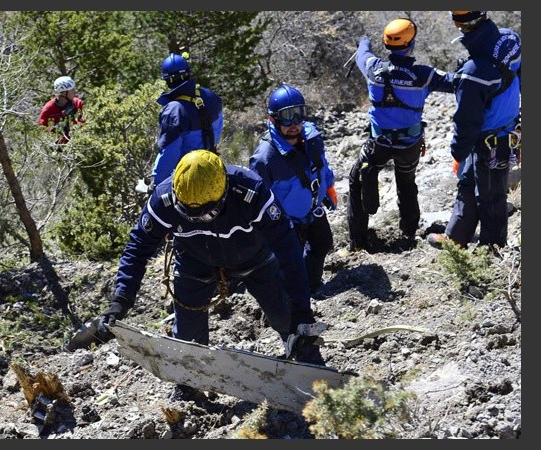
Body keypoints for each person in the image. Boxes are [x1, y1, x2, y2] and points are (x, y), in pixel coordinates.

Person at [95, 149, 325, 402]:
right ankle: (188, 385)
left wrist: (302, 311)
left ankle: (312, 367)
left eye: (207, 214)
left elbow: (289, 251)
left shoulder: (251, 192)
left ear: (224, 193)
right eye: (190, 215)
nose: (200, 220)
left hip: (254, 259)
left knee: (287, 317)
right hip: (196, 262)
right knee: (187, 336)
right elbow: (137, 248)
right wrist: (121, 299)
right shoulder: (164, 200)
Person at [347, 18, 454, 253]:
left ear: (386, 44)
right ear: (411, 44)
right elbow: (455, 82)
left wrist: (363, 41)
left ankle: (357, 242)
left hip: (378, 144)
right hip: (409, 145)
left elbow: (361, 53)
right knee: (406, 184)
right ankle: (408, 232)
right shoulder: (423, 75)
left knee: (358, 178)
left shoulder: (373, 68)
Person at [427, 11, 521, 251]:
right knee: (468, 184)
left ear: (458, 24)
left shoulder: (474, 73)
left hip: (492, 141)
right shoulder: (510, 40)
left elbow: (466, 122)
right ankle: (456, 237)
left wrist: (458, 153)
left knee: (491, 198)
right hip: (499, 134)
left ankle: (492, 249)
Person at [249, 84, 337, 297]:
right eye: (287, 117)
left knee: (322, 244)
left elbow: (322, 166)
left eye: (298, 114)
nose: (294, 124)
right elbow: (257, 200)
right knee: (288, 265)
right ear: (273, 119)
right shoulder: (264, 158)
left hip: (313, 211)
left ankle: (312, 285)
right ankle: (289, 299)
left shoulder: (312, 139)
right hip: (287, 223)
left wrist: (329, 188)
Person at [148, 52, 223, 189]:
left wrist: (156, 184)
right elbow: (217, 131)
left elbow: (169, 154)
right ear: (188, 73)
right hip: (212, 166)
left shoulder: (173, 111)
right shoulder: (211, 96)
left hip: (187, 179)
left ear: (167, 80)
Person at [38, 75, 85, 146]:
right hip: (58, 147)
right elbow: (42, 129)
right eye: (72, 90)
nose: (75, 91)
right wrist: (56, 129)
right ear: (64, 93)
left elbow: (85, 123)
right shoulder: (48, 109)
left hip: (78, 143)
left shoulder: (78, 103)